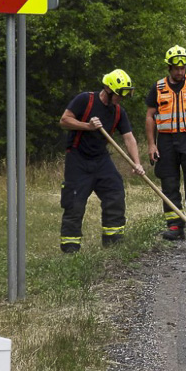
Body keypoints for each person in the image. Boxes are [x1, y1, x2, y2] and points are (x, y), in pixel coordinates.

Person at [59, 69, 145, 254]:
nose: (121, 99)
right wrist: (87, 126)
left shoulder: (118, 112)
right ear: (108, 89)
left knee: (115, 192)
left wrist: (136, 163)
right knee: (74, 203)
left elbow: (129, 138)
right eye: (119, 94)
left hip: (101, 159)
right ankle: (70, 249)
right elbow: (64, 120)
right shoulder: (85, 100)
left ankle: (113, 243)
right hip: (78, 159)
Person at [145, 45, 186, 243]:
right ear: (169, 67)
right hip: (166, 141)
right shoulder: (158, 88)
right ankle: (174, 225)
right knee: (169, 183)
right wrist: (151, 145)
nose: (180, 72)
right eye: (176, 68)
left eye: (183, 68)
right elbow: (150, 117)